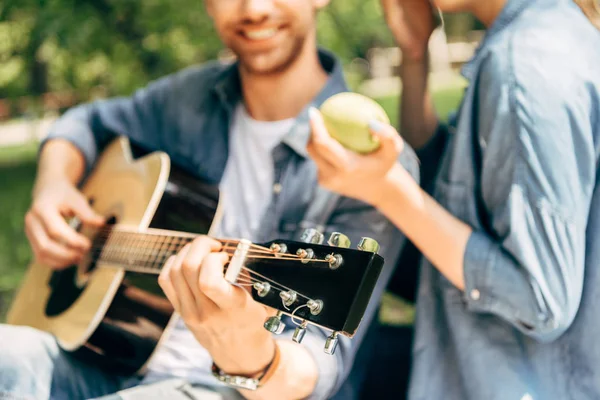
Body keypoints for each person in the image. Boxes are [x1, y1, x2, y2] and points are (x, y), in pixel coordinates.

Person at [0, 1, 420, 399]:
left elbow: (312, 371)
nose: (254, 9)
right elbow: (85, 122)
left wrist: (247, 354)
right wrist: (53, 184)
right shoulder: (191, 98)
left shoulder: (372, 162)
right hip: (107, 357)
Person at [307, 0, 600, 399]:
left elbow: (540, 298)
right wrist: (414, 58)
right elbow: (457, 189)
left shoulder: (524, 65)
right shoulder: (542, 34)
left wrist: (387, 192)